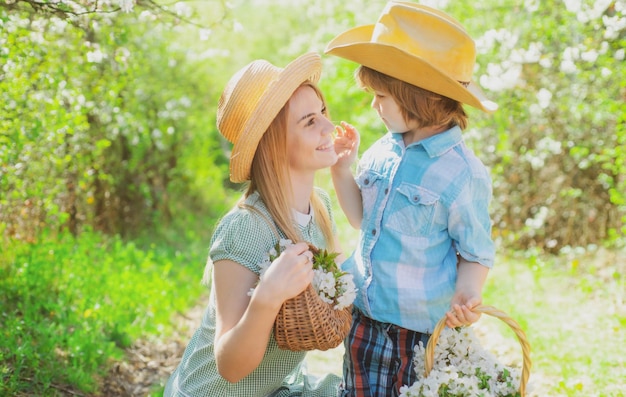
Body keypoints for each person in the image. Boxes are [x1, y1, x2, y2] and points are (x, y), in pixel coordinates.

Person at [324, 2, 498, 396]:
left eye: (381, 96)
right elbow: (360, 219)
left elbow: (474, 250)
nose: (373, 105)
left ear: (420, 96)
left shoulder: (461, 173)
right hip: (364, 319)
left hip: (418, 332)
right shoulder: (382, 152)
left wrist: (466, 295)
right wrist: (341, 169)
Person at [164, 52, 344, 397]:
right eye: (309, 122)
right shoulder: (246, 227)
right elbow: (230, 367)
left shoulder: (321, 208)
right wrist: (268, 296)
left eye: (323, 113)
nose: (328, 127)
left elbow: (336, 304)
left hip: (272, 388)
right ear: (274, 144)